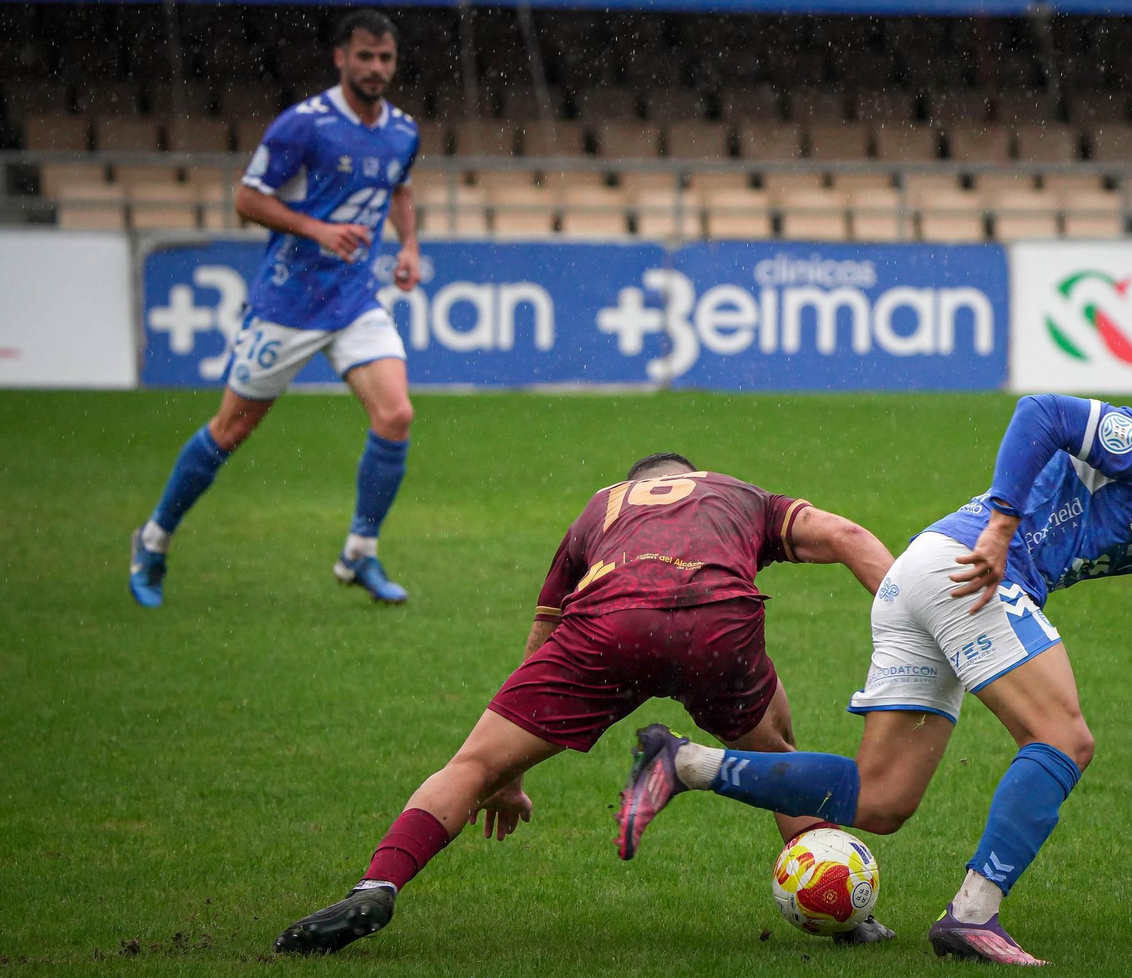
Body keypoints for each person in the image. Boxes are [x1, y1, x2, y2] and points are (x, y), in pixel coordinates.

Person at [616, 396, 1132, 966]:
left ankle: (686, 763)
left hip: (928, 580)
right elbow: (1042, 413)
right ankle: (974, 914)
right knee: (1063, 739)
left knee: (882, 800)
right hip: (972, 571)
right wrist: (1004, 524)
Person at [273, 452, 897, 955]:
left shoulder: (598, 510)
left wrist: (507, 774)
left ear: (635, 487)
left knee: (471, 766)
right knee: (770, 752)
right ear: (691, 477)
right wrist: (907, 621)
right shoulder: (742, 494)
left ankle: (378, 884)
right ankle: (844, 913)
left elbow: (544, 636)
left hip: (611, 628)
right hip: (717, 626)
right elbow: (844, 535)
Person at [128, 9, 422, 608]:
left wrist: (410, 245)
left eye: (385, 58)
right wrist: (317, 228)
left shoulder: (402, 130)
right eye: (363, 56)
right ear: (340, 58)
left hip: (354, 299)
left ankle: (359, 553)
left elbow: (399, 185)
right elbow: (245, 198)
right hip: (287, 303)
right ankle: (153, 540)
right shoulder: (304, 125)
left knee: (396, 415)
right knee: (231, 430)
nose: (375, 68)